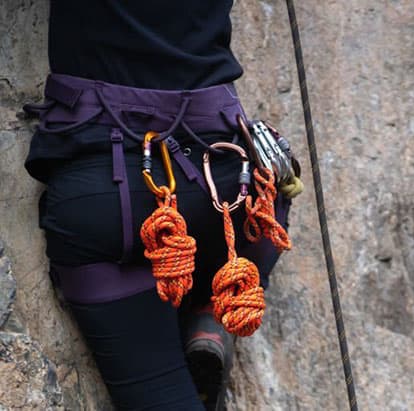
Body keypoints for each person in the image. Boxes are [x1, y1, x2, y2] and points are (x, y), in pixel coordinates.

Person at [23, 1, 292, 410]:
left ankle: (202, 319)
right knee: (264, 214)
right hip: (226, 178)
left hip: (113, 196)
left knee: (160, 393)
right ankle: (210, 318)